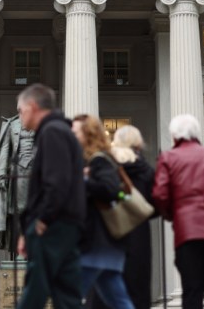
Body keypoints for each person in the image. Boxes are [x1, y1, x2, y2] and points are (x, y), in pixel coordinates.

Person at [152, 114, 204, 309]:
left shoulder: (169, 157)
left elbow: (160, 195)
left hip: (187, 231)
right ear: (197, 134)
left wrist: (173, 215)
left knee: (192, 290)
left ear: (174, 136)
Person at [16, 84, 86, 309]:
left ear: (33, 106)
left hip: (52, 226)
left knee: (35, 291)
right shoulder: (61, 131)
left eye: (21, 110)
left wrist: (41, 220)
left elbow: (56, 183)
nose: (20, 117)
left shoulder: (52, 132)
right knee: (67, 296)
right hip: (65, 224)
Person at [72, 115, 135, 309]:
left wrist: (83, 181)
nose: (71, 134)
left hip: (96, 242)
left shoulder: (100, 160)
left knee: (68, 297)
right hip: (104, 244)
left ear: (87, 134)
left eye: (75, 131)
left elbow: (109, 190)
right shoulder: (94, 160)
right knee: (119, 300)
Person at [109, 125, 156, 309]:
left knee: (110, 286)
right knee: (138, 289)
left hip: (112, 231)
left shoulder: (108, 166)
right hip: (139, 232)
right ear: (138, 145)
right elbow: (155, 204)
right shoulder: (146, 170)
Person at [0, 114, 35, 252]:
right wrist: (2, 174)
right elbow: (5, 149)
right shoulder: (12, 125)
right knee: (19, 211)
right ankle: (21, 249)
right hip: (19, 172)